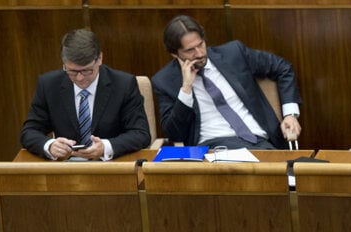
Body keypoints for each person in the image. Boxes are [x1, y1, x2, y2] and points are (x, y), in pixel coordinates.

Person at [152, 15, 302, 150]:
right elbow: (175, 133)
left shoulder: (234, 53)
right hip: (211, 149)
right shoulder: (164, 81)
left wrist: (290, 114)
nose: (199, 53)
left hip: (259, 143)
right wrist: (186, 89)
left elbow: (283, 68)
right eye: (190, 50)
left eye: (201, 44)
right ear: (174, 54)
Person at [20, 29, 150, 161]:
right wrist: (50, 145)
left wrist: (105, 147)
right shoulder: (48, 85)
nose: (80, 78)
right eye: (72, 71)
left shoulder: (124, 85)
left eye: (87, 71)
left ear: (99, 58)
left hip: (111, 167)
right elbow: (29, 132)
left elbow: (140, 134)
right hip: (66, 169)